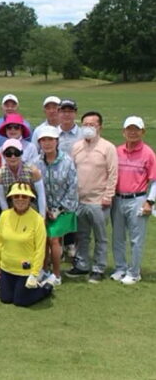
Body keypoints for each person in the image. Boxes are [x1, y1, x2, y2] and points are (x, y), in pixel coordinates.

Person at [67, 111, 117, 282]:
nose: (88, 128)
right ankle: (82, 265)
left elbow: (112, 173)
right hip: (80, 200)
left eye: (92, 124)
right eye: (85, 124)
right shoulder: (77, 147)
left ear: (99, 127)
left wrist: (108, 195)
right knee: (82, 235)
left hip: (99, 201)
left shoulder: (107, 147)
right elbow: (71, 172)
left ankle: (98, 268)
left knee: (100, 237)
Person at [0, 182, 53, 307]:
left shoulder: (38, 220)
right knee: (6, 299)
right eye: (16, 196)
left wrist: (35, 273)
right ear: (11, 198)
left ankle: (45, 287)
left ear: (30, 199)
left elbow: (40, 249)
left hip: (26, 270)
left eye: (24, 196)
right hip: (7, 267)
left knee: (20, 301)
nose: (20, 199)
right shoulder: (4, 215)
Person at [111, 116, 156, 285]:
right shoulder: (117, 151)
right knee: (117, 236)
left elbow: (154, 181)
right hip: (118, 198)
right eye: (129, 129)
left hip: (138, 199)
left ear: (142, 132)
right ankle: (120, 268)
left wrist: (149, 202)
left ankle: (134, 272)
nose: (132, 132)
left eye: (136, 129)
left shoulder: (148, 153)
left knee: (136, 239)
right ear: (123, 132)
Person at [35, 126, 78, 286]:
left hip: (64, 209)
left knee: (53, 239)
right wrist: (43, 209)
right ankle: (44, 270)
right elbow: (35, 188)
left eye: (50, 140)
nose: (47, 144)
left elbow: (72, 188)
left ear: (57, 141)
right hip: (44, 208)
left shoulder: (67, 161)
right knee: (43, 239)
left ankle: (57, 274)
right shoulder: (37, 163)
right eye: (43, 140)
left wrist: (58, 210)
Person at [0, 139, 46, 216]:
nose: (13, 157)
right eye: (8, 154)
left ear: (21, 153)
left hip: (32, 210)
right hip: (11, 211)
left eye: (16, 153)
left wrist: (42, 216)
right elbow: (2, 200)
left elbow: (41, 195)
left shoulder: (33, 171)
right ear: (4, 155)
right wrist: (6, 216)